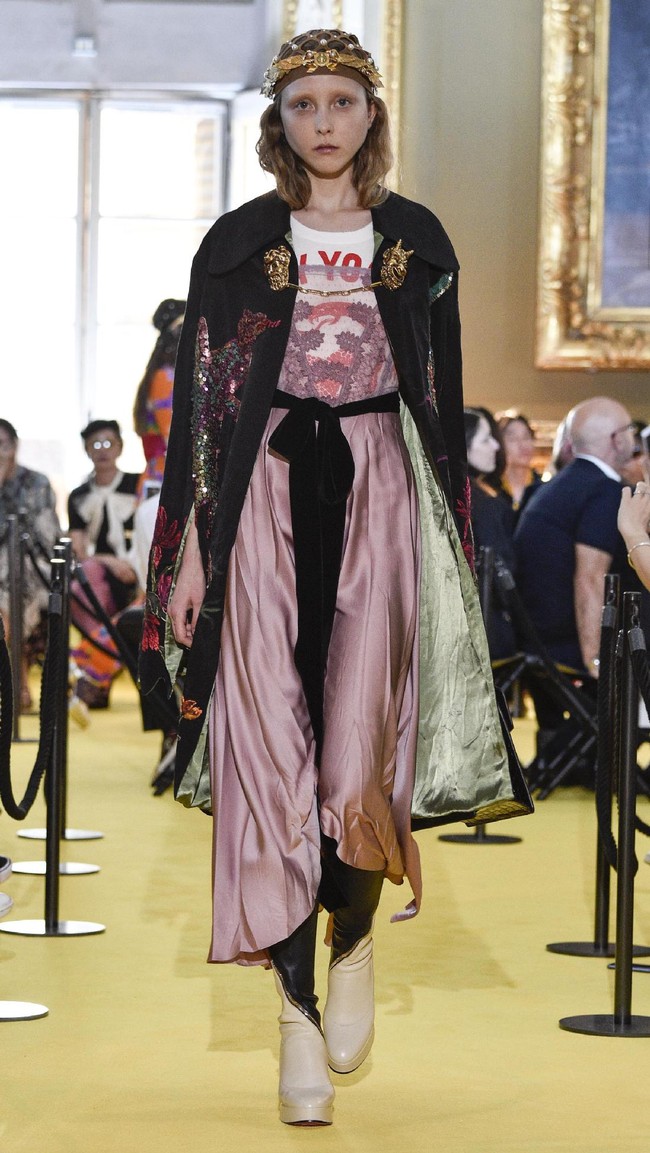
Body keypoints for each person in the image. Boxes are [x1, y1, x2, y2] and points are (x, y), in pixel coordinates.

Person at [139, 28, 526, 1127]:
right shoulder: (234, 245)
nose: (321, 121)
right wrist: (189, 554)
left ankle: (351, 935)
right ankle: (296, 1018)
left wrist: (449, 543)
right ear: (279, 120)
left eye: (340, 102)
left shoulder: (416, 241)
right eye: (302, 102)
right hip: (260, 499)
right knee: (270, 753)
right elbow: (203, 419)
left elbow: (443, 406)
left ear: (368, 117)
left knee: (359, 744)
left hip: (379, 496)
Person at [514, 397, 637, 743]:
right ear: (616, 440)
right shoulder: (603, 490)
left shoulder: (560, 484)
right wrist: (595, 661)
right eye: (628, 431)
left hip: (536, 633)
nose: (633, 438)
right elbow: (589, 576)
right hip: (562, 641)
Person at [68, 420, 139, 707]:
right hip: (102, 572)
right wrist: (109, 561)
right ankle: (102, 670)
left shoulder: (138, 483)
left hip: (141, 566)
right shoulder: (79, 496)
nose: (102, 450)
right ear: (86, 450)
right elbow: (79, 549)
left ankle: (94, 675)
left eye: (108, 442)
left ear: (120, 447)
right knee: (81, 585)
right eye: (95, 444)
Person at [0, 419, 61, 710]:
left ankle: (17, 685)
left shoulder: (36, 482)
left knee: (12, 592)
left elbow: (46, 537)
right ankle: (17, 686)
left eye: (2, 445)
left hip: (32, 567)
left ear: (14, 447)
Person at [464, 408, 517, 658]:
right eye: (485, 439)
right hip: (489, 626)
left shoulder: (470, 493)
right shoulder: (480, 502)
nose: (496, 445)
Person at [133, 299, 185, 496]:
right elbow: (173, 437)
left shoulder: (164, 375)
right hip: (165, 482)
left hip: (167, 479)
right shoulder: (165, 377)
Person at [495, 411, 543, 516]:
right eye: (513, 439)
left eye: (526, 437)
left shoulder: (543, 489)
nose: (522, 445)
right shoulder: (491, 489)